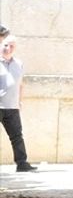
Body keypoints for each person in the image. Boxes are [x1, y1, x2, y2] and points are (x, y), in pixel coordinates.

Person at [0, 27, 37, 172]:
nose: (8, 48)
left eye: (12, 46)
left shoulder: (19, 64)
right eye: (6, 45)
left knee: (17, 136)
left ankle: (22, 163)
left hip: (12, 106)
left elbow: (20, 84)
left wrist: (19, 101)